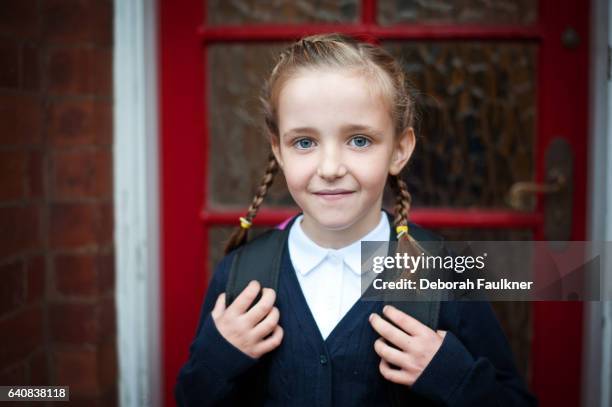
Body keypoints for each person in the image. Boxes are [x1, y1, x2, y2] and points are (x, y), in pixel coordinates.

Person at [174, 33, 538, 406]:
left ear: (399, 150)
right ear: (278, 150)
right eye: (304, 142)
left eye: (359, 140)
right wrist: (218, 359)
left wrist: (452, 374)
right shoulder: (241, 275)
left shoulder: (443, 271)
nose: (330, 168)